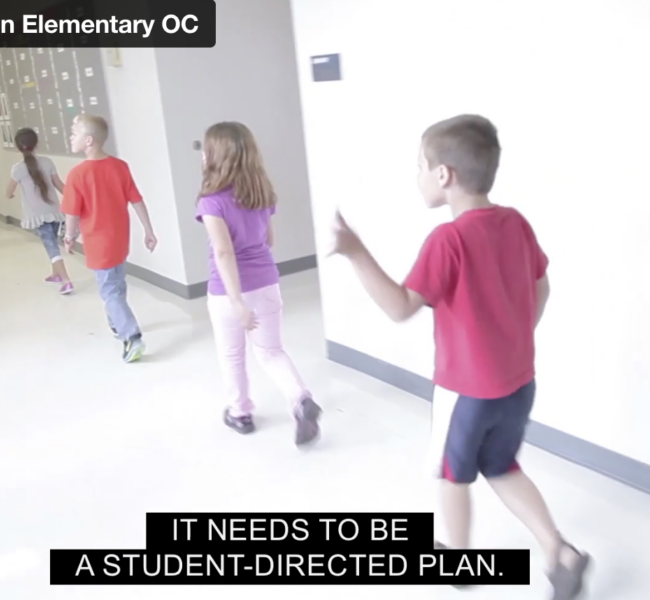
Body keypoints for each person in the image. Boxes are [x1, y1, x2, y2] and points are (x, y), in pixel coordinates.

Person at [329, 115, 591, 598]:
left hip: (465, 391)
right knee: (501, 464)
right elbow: (542, 286)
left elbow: (399, 307)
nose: (418, 177)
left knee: (453, 476)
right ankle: (560, 552)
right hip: (518, 383)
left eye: (420, 167)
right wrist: (515, 336)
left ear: (444, 175)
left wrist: (355, 251)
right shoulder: (515, 223)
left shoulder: (447, 240)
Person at [196, 121, 321, 446]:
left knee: (233, 354)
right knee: (271, 350)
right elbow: (268, 239)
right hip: (267, 284)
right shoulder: (262, 193)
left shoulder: (211, 202)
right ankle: (300, 399)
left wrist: (237, 301)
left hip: (228, 293)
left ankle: (240, 412)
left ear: (215, 156)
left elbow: (224, 252)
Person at [60, 114, 157, 363]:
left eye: (74, 133)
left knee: (109, 290)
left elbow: (71, 212)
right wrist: (148, 230)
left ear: (89, 140)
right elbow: (137, 200)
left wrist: (69, 236)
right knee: (117, 283)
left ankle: (131, 336)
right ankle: (116, 322)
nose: (71, 137)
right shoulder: (120, 166)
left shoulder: (77, 174)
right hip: (119, 239)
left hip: (97, 243)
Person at [6, 127, 73, 295]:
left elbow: (9, 191)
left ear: (18, 147)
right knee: (52, 242)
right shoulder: (47, 162)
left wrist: (11, 195)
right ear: (37, 144)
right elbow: (59, 185)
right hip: (54, 211)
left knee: (51, 247)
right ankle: (56, 274)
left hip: (38, 216)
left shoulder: (18, 168)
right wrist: (74, 199)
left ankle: (66, 280)